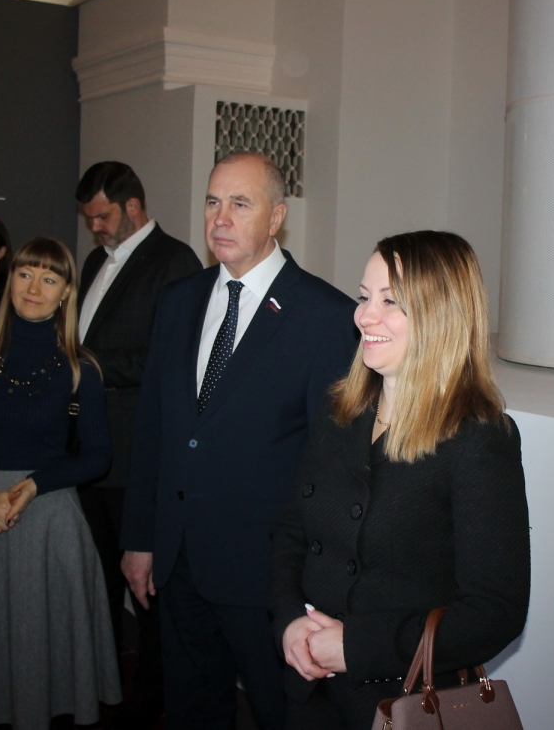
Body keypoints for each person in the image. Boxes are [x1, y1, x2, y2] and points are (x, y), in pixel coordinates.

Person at [121, 152, 359, 730]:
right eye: (212, 202)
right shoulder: (178, 300)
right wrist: (140, 538)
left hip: (267, 577)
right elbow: (154, 430)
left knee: (280, 716)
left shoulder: (326, 317)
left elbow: (331, 466)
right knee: (191, 712)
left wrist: (319, 585)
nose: (220, 218)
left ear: (276, 217)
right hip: (179, 563)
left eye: (240, 203)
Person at [270, 230, 531, 729]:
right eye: (364, 297)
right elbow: (292, 531)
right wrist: (288, 622)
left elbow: (494, 612)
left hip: (400, 702)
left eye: (390, 301)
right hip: (309, 693)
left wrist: (355, 646)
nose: (365, 315)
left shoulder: (479, 438)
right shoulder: (340, 410)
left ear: (440, 314)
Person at [0, 237, 121, 729]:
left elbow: (98, 457)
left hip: (51, 518)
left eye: (49, 278)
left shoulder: (81, 366)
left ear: (65, 292)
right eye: (25, 274)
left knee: (45, 656)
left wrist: (33, 486)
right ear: (10, 278)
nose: (34, 287)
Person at [75, 161, 202, 727]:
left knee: (146, 590)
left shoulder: (174, 261)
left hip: (135, 456)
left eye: (102, 216)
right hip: (89, 453)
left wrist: (85, 364)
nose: (94, 227)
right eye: (88, 218)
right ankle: (101, 691)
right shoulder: (95, 261)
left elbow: (169, 361)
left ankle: (152, 705)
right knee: (96, 581)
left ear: (132, 206)